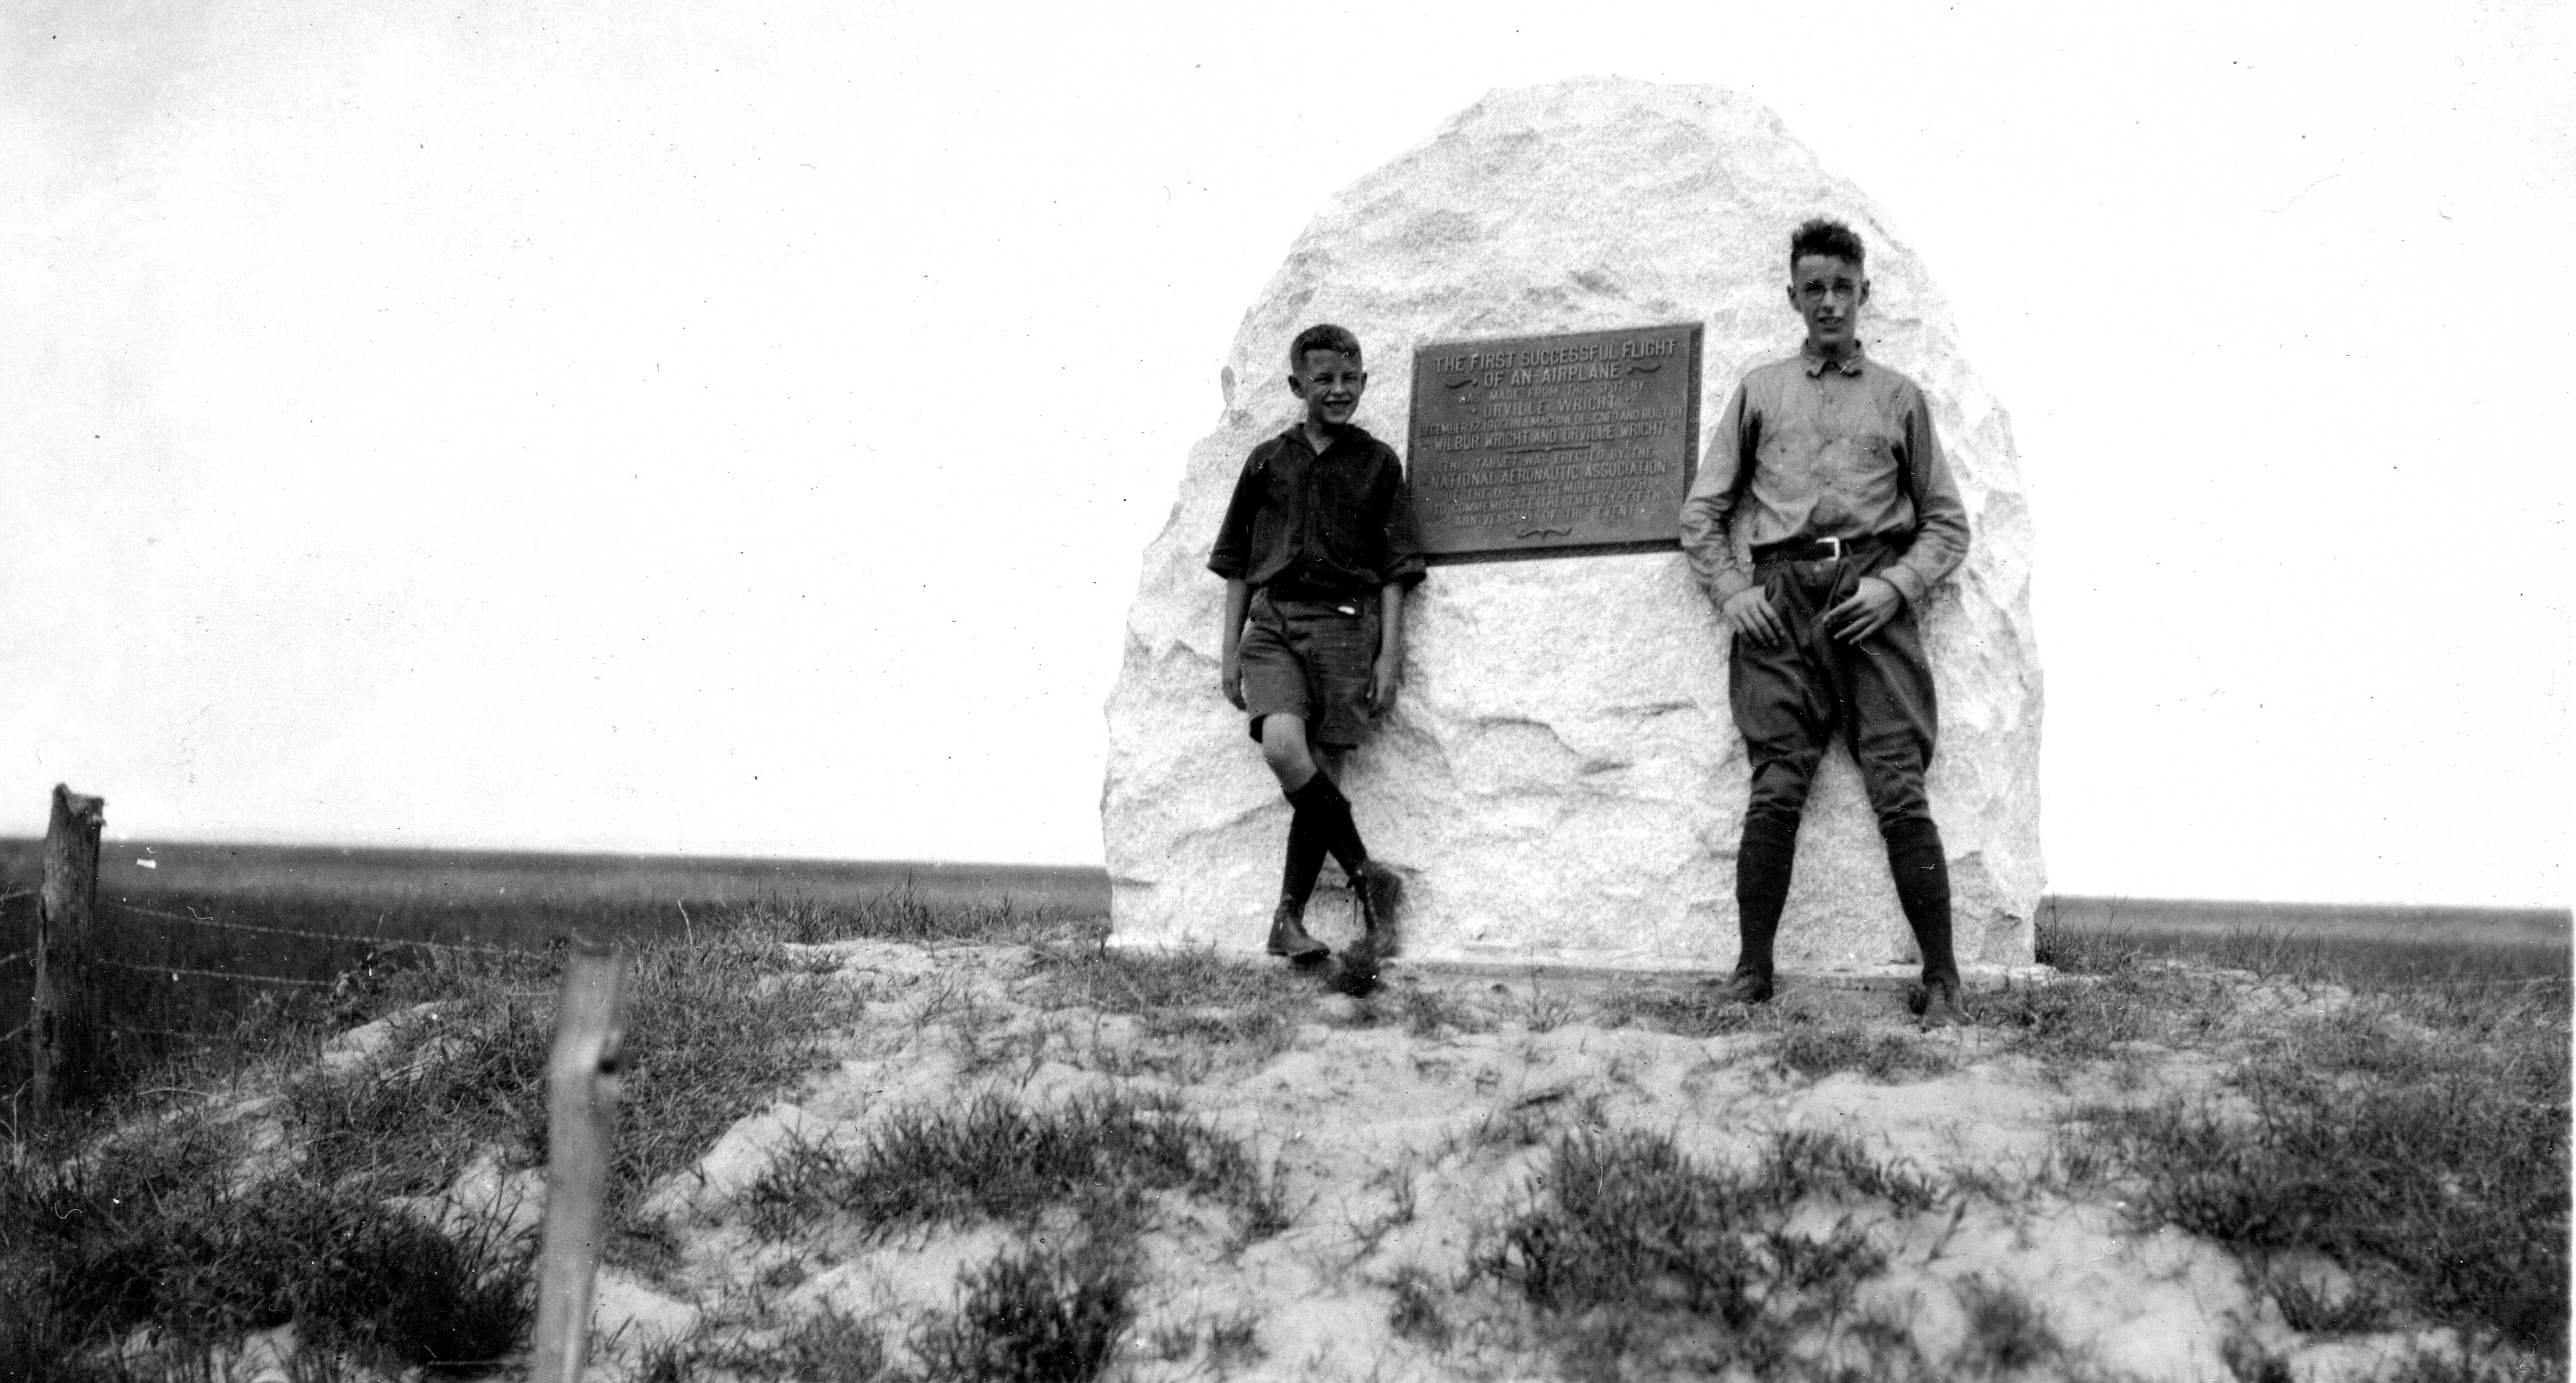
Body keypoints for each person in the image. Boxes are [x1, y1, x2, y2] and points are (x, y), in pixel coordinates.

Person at [1679, 218, 1974, 1028]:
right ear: (1793, 297)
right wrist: (1732, 592)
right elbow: (1702, 512)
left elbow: (1946, 523)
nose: (1829, 302)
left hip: (1868, 597)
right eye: (1814, 288)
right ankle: (1752, 970)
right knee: (1776, 781)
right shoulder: (1761, 392)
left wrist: (1896, 588)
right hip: (1780, 600)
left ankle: (1943, 977)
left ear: (1863, 292)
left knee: (1897, 783)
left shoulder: (1898, 398)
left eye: (1843, 287)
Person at [1207, 323, 1425, 965]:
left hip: (1345, 627)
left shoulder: (1378, 462)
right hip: (1274, 624)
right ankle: (1367, 875)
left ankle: (1288, 919)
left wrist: (1389, 656)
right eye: (1323, 379)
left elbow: (1396, 570)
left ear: (1365, 381)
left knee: (1323, 774)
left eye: (1349, 379)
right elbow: (1238, 564)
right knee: (1283, 747)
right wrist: (1229, 652)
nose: (1338, 390)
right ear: (1296, 385)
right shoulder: (1266, 460)